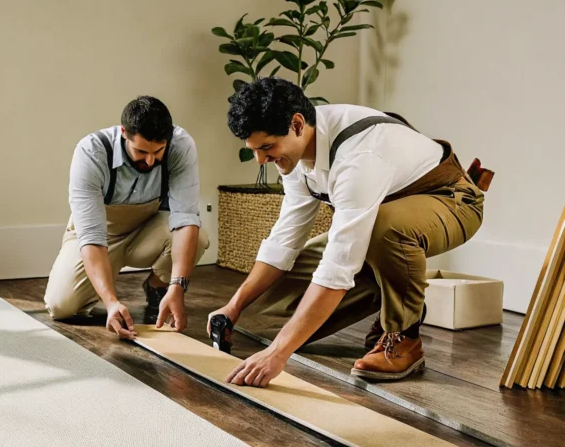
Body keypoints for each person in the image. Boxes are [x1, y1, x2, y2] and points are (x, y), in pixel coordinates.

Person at [208, 77, 484, 387]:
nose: (261, 160)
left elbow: (338, 266)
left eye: (267, 147)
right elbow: (284, 240)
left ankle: (404, 336)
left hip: (451, 202)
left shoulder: (359, 157)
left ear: (297, 124)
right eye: (255, 150)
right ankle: (391, 291)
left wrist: (278, 354)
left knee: (383, 229)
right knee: (270, 316)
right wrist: (234, 306)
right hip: (378, 216)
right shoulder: (296, 153)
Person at [44, 96, 209, 339]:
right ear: (124, 133)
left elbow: (185, 219)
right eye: (141, 151)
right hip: (100, 236)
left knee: (199, 236)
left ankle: (158, 287)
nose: (150, 160)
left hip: (147, 231)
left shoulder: (181, 145)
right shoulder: (91, 152)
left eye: (158, 151)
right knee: (61, 306)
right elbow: (92, 236)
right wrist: (111, 302)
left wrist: (177, 286)